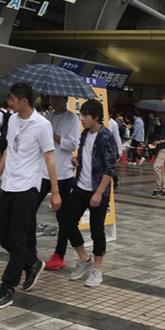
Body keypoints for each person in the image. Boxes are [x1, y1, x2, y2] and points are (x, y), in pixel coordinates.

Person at [0, 82, 61, 310]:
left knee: (17, 240)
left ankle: (7, 287)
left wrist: (55, 193)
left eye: (12, 99)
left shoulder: (42, 125)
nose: (9, 102)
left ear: (24, 101)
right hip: (9, 185)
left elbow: (49, 159)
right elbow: (9, 149)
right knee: (2, 237)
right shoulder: (13, 120)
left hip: (28, 189)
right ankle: (33, 263)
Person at [61, 99, 117, 287]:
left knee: (97, 230)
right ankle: (85, 260)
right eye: (81, 115)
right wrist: (79, 162)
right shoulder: (85, 134)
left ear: (96, 116)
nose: (82, 119)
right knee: (67, 222)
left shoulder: (106, 137)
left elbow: (109, 168)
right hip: (80, 187)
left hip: (97, 190)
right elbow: (91, 160)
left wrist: (99, 193)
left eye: (85, 115)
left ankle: (97, 270)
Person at [27, 95, 79, 271]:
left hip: (63, 173)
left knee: (63, 216)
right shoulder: (46, 118)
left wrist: (54, 136)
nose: (53, 102)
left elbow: (72, 144)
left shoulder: (72, 118)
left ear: (64, 99)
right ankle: (31, 249)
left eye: (57, 99)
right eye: (51, 98)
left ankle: (60, 254)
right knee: (29, 209)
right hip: (43, 172)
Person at [149, 111, 165, 198]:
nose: (159, 115)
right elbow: (154, 134)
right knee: (160, 168)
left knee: (156, 166)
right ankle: (164, 189)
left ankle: (157, 187)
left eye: (161, 113)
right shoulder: (158, 122)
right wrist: (154, 125)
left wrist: (161, 141)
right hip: (158, 148)